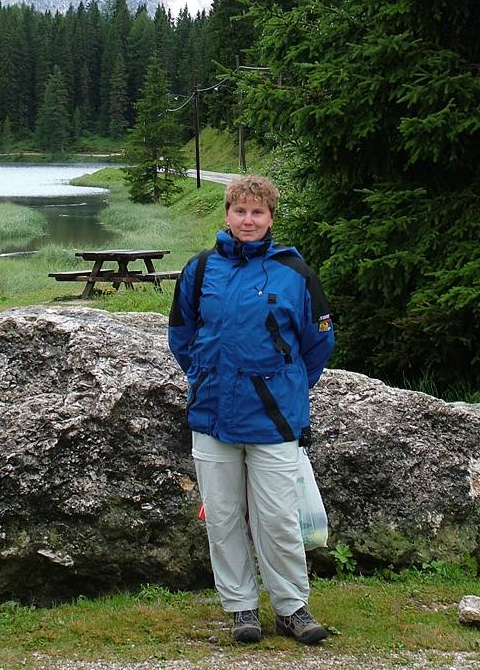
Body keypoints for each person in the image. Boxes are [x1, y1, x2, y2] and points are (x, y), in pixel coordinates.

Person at [168, 174, 334, 645]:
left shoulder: (295, 273)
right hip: (212, 415)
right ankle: (241, 608)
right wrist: (205, 376)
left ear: (270, 219)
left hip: (275, 417)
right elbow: (181, 336)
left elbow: (318, 344)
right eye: (240, 211)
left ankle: (291, 608)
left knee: (278, 519)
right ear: (227, 214)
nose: (248, 220)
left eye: (257, 212)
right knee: (221, 518)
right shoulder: (200, 270)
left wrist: (286, 386)